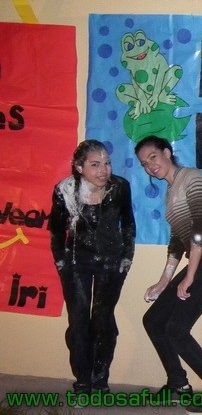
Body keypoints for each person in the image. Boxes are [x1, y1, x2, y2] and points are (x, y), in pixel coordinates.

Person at [134, 135, 202, 414]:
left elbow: (200, 228)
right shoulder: (170, 192)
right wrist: (163, 281)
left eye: (153, 157)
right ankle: (178, 384)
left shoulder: (192, 178)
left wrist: (189, 277)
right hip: (200, 265)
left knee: (176, 330)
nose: (150, 166)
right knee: (154, 321)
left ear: (167, 152)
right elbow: (178, 240)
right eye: (144, 163)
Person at [49, 139, 136, 395]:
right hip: (77, 264)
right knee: (78, 323)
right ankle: (83, 380)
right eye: (95, 164)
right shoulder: (65, 190)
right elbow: (56, 231)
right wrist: (62, 264)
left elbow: (128, 225)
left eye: (107, 163)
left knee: (103, 321)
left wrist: (126, 260)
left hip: (112, 263)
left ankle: (100, 380)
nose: (104, 170)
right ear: (79, 167)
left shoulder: (120, 187)